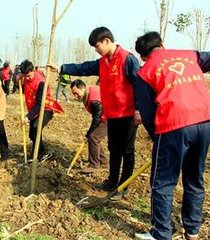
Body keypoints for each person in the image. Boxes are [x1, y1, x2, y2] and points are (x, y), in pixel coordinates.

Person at [133, 31, 210, 240]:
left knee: (163, 182)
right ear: (162, 43)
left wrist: (159, 140)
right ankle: (192, 230)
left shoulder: (145, 72)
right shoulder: (189, 55)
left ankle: (161, 233)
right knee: (194, 177)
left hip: (174, 123)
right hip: (206, 120)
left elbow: (148, 114)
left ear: (143, 56)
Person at [49, 26, 141, 200]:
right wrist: (62, 67)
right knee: (114, 149)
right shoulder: (103, 62)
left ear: (107, 41)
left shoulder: (127, 59)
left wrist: (138, 109)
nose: (97, 50)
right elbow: (83, 68)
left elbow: (138, 85)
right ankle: (112, 181)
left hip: (128, 114)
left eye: (97, 46)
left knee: (127, 150)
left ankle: (124, 186)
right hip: (112, 114)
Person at [20, 59, 63, 162]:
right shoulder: (24, 77)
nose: (27, 78)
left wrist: (28, 117)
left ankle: (36, 155)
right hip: (34, 109)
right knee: (32, 134)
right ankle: (44, 152)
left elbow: (40, 103)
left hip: (46, 108)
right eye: (25, 76)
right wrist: (18, 77)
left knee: (36, 128)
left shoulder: (41, 82)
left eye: (29, 75)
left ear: (33, 70)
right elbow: (19, 84)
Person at [70, 79, 107, 174]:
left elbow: (96, 119)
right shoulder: (88, 92)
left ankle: (94, 164)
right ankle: (103, 160)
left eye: (77, 93)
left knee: (93, 137)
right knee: (95, 137)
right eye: (74, 94)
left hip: (109, 117)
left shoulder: (94, 100)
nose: (76, 96)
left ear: (82, 88)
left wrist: (88, 134)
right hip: (103, 116)